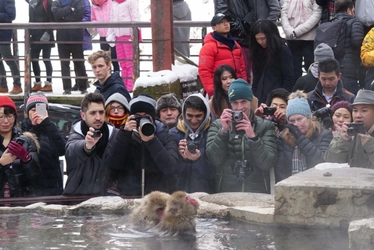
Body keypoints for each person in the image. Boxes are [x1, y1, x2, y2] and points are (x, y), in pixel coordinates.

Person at [206, 78, 277, 193]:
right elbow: (214, 160)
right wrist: (224, 132)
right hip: (227, 192)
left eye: (243, 101)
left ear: (250, 101)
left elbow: (267, 163)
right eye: (235, 102)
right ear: (230, 103)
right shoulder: (217, 126)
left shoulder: (265, 126)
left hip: (257, 193)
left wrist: (253, 137)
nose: (239, 107)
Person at [109, 94, 178, 196]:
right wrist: (124, 134)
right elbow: (113, 166)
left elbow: (170, 168)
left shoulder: (164, 135)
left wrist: (152, 141)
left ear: (153, 119)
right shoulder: (123, 135)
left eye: (146, 117)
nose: (142, 121)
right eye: (138, 117)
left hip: (158, 198)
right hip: (130, 196)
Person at [63, 92, 120, 195]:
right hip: (77, 200)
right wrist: (87, 146)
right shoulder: (76, 134)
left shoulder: (115, 135)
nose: (98, 117)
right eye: (93, 113)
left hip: (108, 201)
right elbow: (71, 151)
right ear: (83, 115)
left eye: (101, 112)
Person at [214, 0, 281, 82]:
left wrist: (266, 27)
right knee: (249, 68)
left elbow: (275, 9)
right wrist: (239, 26)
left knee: (267, 66)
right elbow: (221, 12)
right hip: (242, 34)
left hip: (254, 33)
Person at [275, 91, 333, 182]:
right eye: (292, 121)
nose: (296, 124)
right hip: (290, 185)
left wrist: (299, 138)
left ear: (309, 117)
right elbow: (280, 169)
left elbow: (322, 162)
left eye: (299, 119)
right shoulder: (283, 137)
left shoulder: (323, 134)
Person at [21, 93, 66, 196]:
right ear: (28, 113)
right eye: (33, 110)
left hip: (52, 189)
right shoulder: (22, 132)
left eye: (40, 110)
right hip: (30, 190)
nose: (36, 113)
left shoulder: (52, 130)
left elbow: (62, 149)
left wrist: (46, 124)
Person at [170, 93, 215, 194]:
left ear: (206, 114)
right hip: (180, 194)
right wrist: (180, 157)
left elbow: (218, 169)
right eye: (189, 116)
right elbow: (169, 170)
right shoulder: (173, 134)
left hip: (208, 192)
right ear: (183, 113)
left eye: (198, 116)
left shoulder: (214, 132)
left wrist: (198, 160)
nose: (194, 120)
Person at [0, 96, 41, 197]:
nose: (6, 121)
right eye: (1, 117)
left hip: (21, 201)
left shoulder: (26, 141)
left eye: (10, 116)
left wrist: (27, 159)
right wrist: (1, 163)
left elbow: (37, 177)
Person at [198, 13, 246, 97]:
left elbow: (242, 69)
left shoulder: (236, 45)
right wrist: (213, 92)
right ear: (214, 27)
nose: (226, 24)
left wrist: (244, 86)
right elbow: (204, 72)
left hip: (236, 90)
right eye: (221, 22)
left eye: (227, 21)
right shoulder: (208, 47)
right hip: (219, 92)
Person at [325, 89, 374, 168]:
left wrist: (371, 145)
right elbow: (331, 161)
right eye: (355, 110)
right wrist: (343, 141)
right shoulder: (347, 131)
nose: (358, 115)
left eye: (364, 110)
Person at [249, 19, 294, 104]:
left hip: (277, 96)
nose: (260, 42)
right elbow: (256, 77)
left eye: (263, 38)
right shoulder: (257, 50)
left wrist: (284, 98)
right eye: (257, 39)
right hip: (260, 95)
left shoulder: (282, 50)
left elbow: (288, 77)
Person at [51, 0, 88, 95]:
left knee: (79, 62)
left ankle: (83, 87)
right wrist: (69, 9)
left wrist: (63, 17)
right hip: (62, 37)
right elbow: (56, 15)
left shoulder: (78, 1)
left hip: (76, 36)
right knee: (64, 63)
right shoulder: (56, 2)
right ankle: (67, 88)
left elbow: (79, 15)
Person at [281, 0, 322, 83]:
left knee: (310, 66)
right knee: (293, 68)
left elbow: (317, 14)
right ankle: (295, 90)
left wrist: (297, 31)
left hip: (309, 38)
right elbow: (283, 13)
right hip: (292, 38)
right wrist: (289, 31)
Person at [107, 0, 140, 91]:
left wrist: (134, 34)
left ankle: (130, 87)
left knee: (130, 63)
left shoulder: (131, 2)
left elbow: (135, 17)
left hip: (128, 36)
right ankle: (124, 85)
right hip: (118, 36)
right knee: (122, 63)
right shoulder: (113, 3)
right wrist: (109, 34)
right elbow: (111, 19)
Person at [333, 0, 365, 95]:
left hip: (333, 69)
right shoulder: (355, 22)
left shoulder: (329, 24)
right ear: (348, 10)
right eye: (353, 11)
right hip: (350, 70)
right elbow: (357, 42)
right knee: (351, 100)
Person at [26, 0, 55, 93]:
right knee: (34, 59)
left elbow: (52, 18)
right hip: (34, 35)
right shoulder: (31, 3)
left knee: (46, 59)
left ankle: (48, 83)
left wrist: (48, 32)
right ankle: (37, 82)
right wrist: (29, 33)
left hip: (46, 35)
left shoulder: (47, 2)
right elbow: (31, 19)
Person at [0, 0, 22, 94]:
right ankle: (3, 85)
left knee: (8, 59)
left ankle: (17, 84)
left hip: (4, 33)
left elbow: (11, 15)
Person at [90, 0, 120, 73]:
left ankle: (116, 76)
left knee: (114, 57)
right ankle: (107, 78)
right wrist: (97, 28)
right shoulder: (94, 5)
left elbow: (115, 15)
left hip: (112, 34)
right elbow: (93, 18)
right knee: (104, 58)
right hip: (102, 35)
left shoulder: (110, 3)